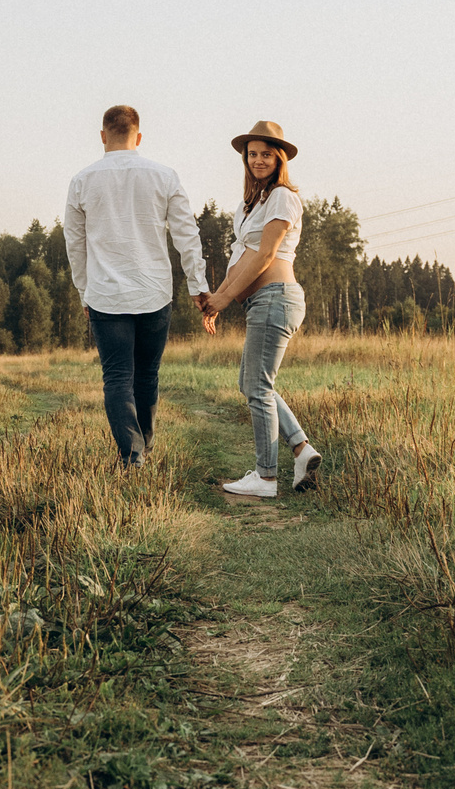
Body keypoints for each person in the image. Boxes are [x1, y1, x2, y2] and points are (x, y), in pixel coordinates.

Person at [62, 104, 212, 467]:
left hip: (106, 295)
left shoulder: (82, 181)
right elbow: (186, 235)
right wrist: (198, 284)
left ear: (102, 136)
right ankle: (142, 448)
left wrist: (84, 290)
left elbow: (75, 243)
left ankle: (133, 456)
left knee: (117, 376)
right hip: (153, 292)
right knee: (147, 375)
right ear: (138, 137)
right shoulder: (164, 176)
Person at [204, 121, 321, 499]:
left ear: (279, 158)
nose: (258, 160)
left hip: (276, 297)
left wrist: (222, 299)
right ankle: (301, 449)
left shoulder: (282, 197)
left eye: (266, 154)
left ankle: (266, 478)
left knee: (256, 386)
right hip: (260, 301)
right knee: (254, 384)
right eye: (252, 153)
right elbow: (242, 257)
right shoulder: (247, 205)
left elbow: (266, 254)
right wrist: (217, 297)